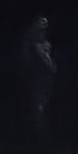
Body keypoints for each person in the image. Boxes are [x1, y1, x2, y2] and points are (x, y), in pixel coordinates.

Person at [17, 17, 55, 147]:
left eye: (46, 22)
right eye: (41, 21)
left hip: (45, 76)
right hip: (38, 75)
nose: (45, 23)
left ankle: (42, 133)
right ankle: (38, 135)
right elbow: (39, 56)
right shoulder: (32, 40)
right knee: (38, 104)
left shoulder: (42, 39)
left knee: (43, 103)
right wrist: (50, 65)